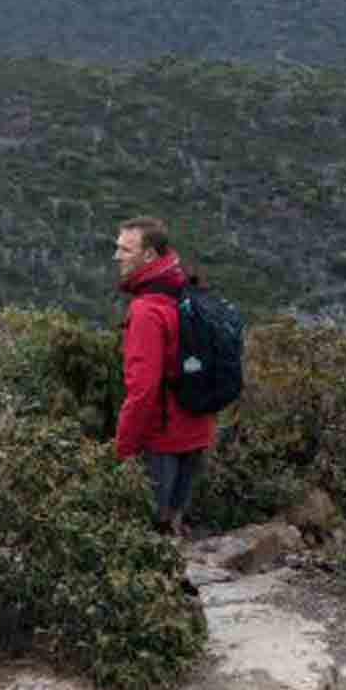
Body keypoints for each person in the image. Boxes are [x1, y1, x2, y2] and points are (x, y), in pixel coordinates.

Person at [111, 216, 215, 536]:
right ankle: (174, 579)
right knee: (173, 523)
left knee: (146, 531)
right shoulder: (188, 292)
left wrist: (123, 449)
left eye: (125, 250)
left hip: (161, 440)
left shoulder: (147, 311)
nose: (117, 256)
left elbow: (142, 390)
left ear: (150, 257)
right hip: (197, 430)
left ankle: (162, 583)